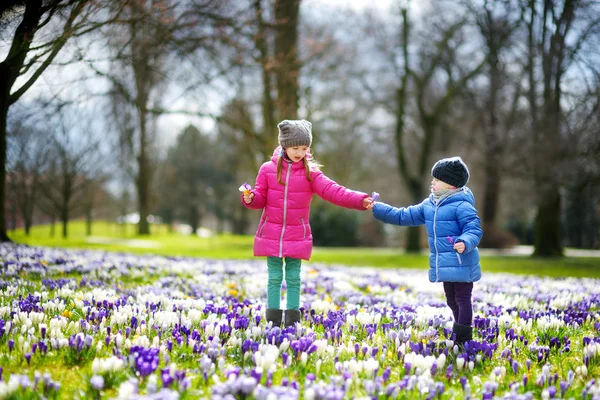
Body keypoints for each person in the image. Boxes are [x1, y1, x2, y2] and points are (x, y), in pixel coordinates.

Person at [242, 119, 372, 328]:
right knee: (274, 277)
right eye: (295, 147)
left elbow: (334, 191)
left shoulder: (311, 172)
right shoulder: (267, 169)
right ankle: (273, 321)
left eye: (304, 148)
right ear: (284, 145)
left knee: (293, 278)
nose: (299, 152)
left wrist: (360, 199)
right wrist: (250, 198)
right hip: (271, 232)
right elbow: (260, 198)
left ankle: (293, 319)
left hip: (297, 234)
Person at [367, 157, 482, 344]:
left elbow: (474, 229)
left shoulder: (463, 205)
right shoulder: (429, 204)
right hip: (445, 265)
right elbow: (404, 215)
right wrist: (378, 208)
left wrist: (465, 241)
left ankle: (463, 338)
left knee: (462, 299)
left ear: (451, 185)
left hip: (462, 262)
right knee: (452, 300)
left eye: (437, 179)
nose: (432, 182)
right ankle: (459, 330)